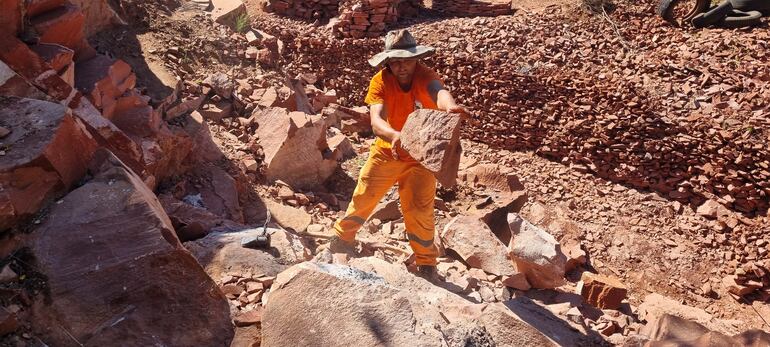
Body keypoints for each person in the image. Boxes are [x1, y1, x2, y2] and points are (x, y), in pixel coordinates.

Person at [327, 29, 468, 280]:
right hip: (386, 153)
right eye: (395, 61)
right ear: (388, 62)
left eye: (406, 60)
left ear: (416, 59)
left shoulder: (425, 75)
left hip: (420, 157)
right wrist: (394, 136)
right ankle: (341, 239)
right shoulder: (380, 81)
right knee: (364, 196)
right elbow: (376, 120)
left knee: (420, 210)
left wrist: (450, 107)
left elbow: (438, 92)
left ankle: (426, 263)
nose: (401, 66)